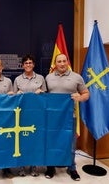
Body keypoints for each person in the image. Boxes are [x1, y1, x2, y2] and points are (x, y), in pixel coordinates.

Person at [45, 53, 90, 181]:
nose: (62, 64)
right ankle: (50, 166)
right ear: (55, 63)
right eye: (59, 61)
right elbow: (45, 96)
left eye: (64, 61)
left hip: (70, 116)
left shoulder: (76, 77)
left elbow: (86, 93)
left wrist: (79, 97)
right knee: (51, 142)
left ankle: (72, 168)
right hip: (52, 117)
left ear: (67, 62)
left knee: (70, 144)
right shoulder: (48, 77)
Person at [13, 54, 46, 177]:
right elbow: (13, 97)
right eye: (26, 63)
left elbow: (46, 96)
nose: (28, 65)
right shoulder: (17, 80)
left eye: (30, 63)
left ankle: (33, 166)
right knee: (21, 141)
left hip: (36, 115)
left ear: (34, 64)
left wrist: (41, 93)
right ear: (22, 65)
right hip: (21, 115)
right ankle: (21, 166)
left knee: (34, 141)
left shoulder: (41, 78)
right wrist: (17, 93)